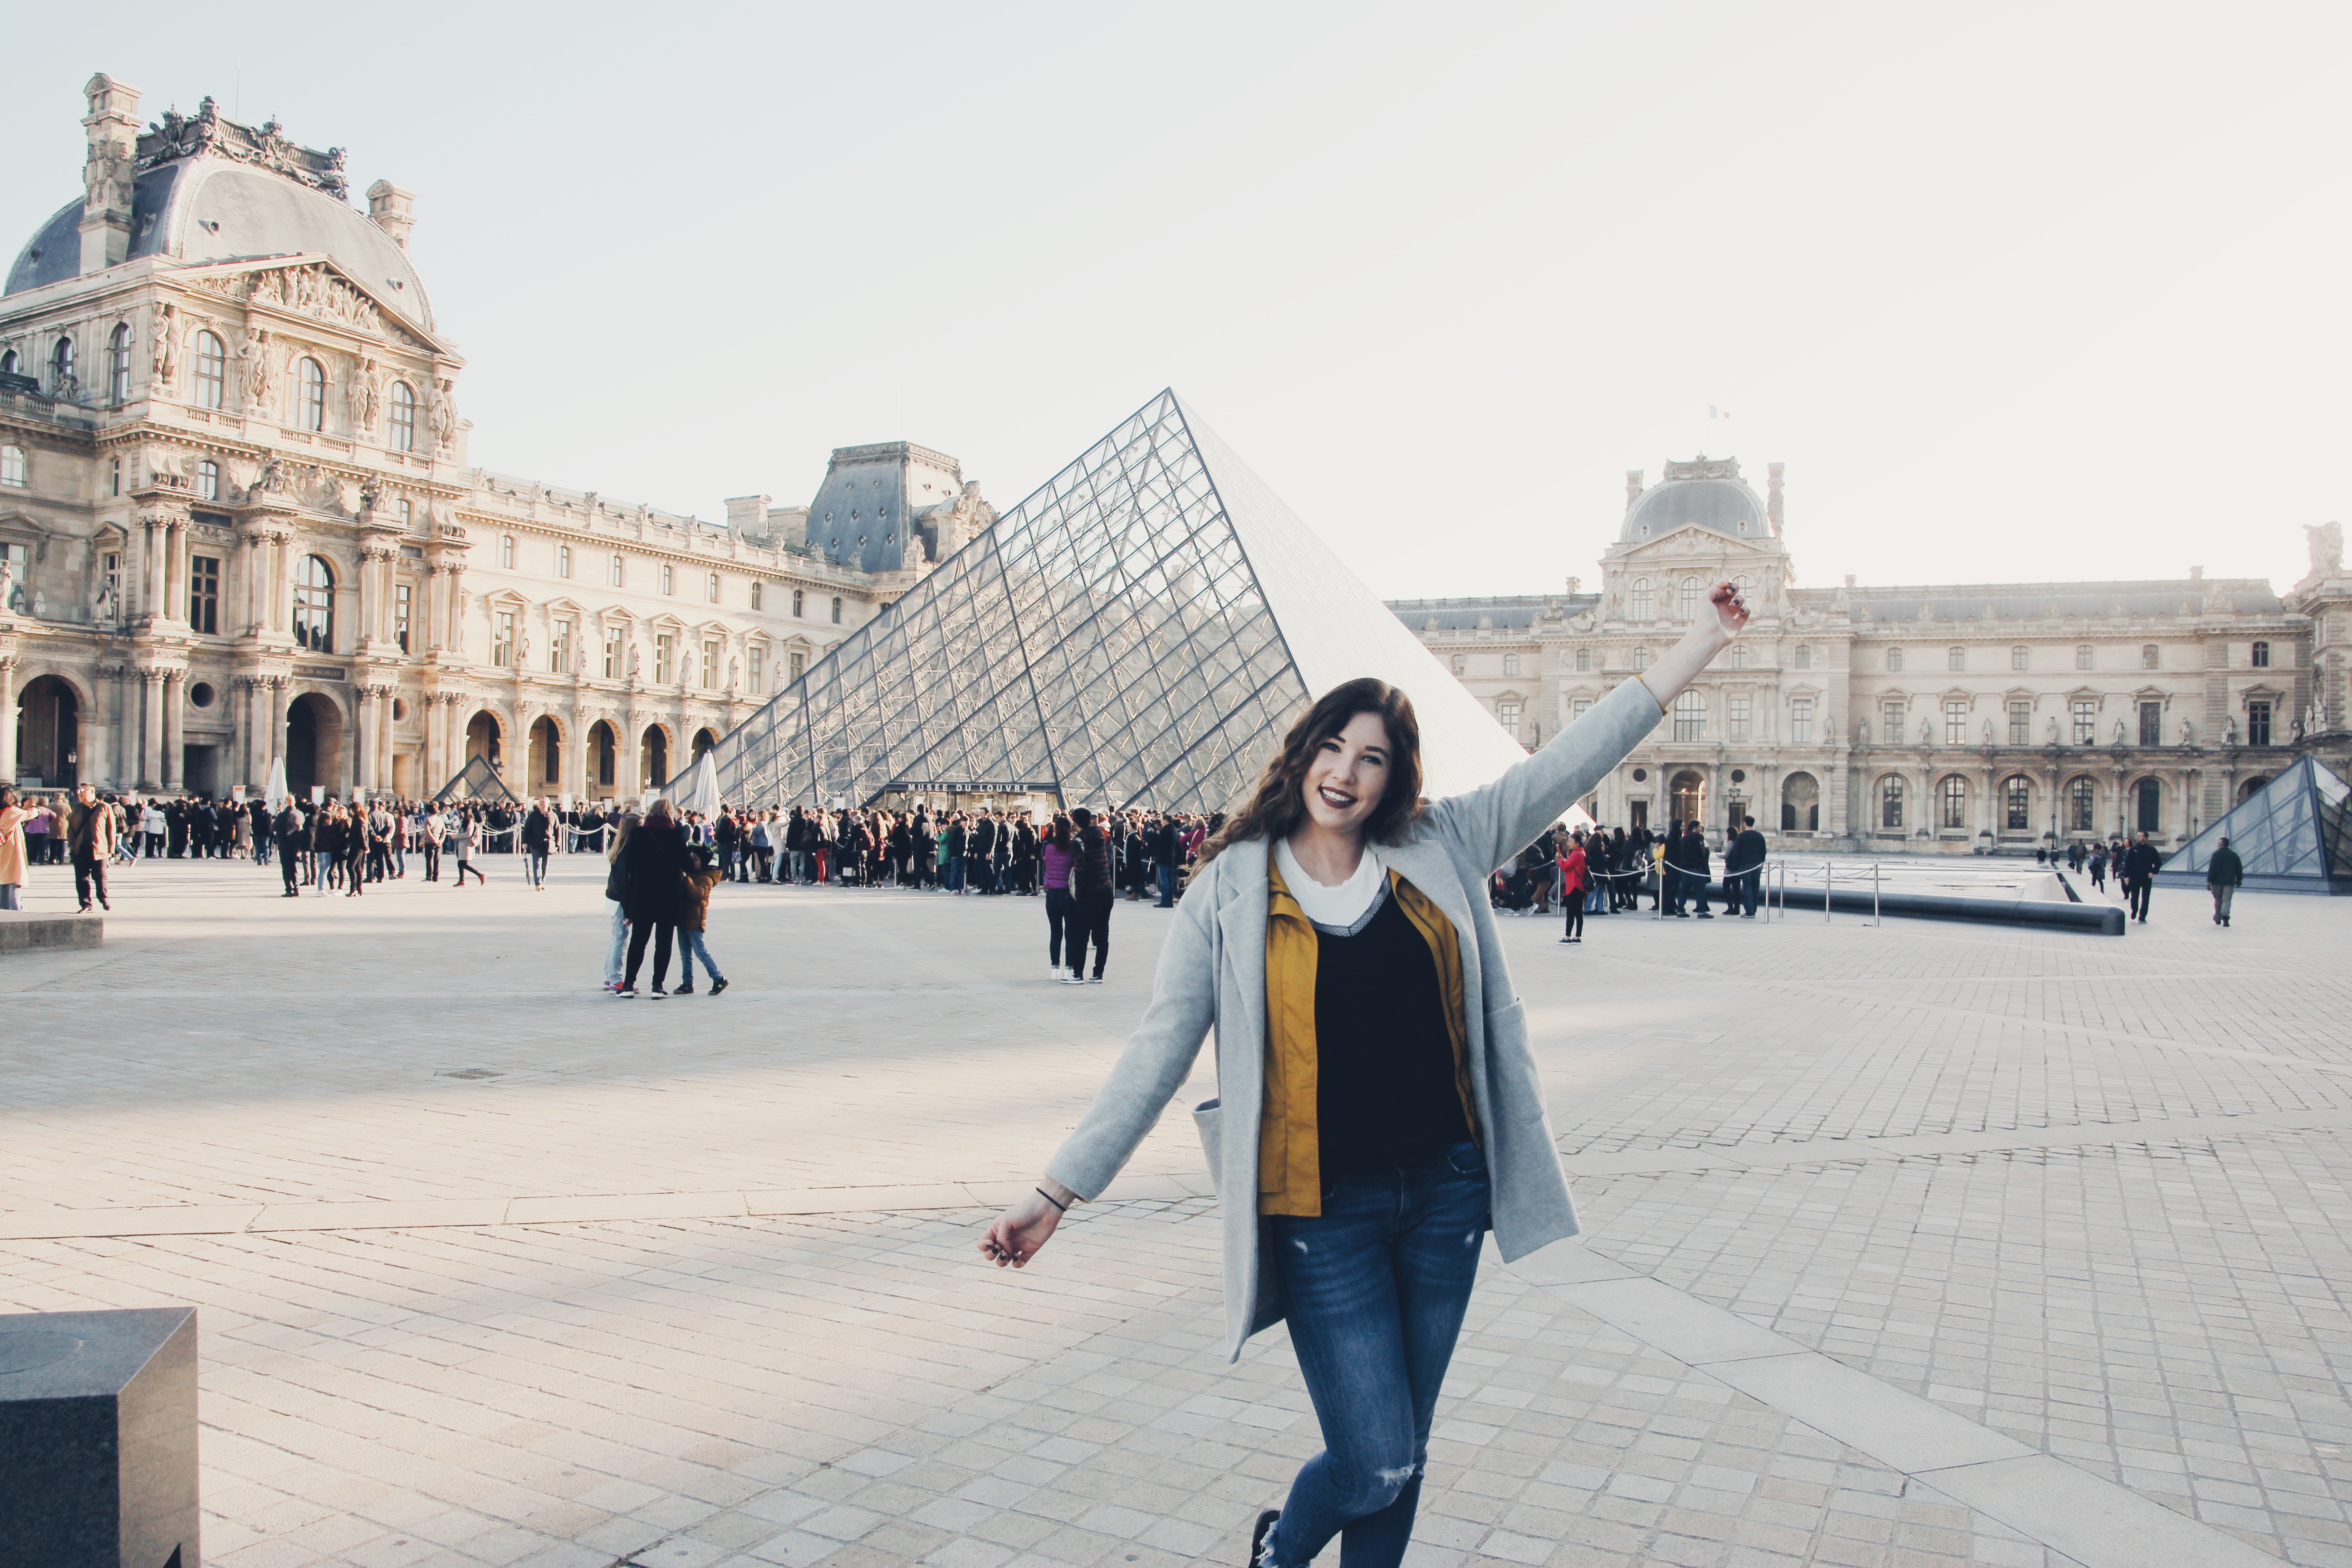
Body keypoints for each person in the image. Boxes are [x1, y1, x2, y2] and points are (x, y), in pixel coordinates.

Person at [980, 582, 1749, 1568]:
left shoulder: (1441, 843)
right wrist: (1056, 1192)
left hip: (1446, 1191)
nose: (1346, 773)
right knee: (1376, 1455)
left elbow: (1569, 761)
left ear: (1395, 778)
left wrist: (1700, 641)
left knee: (1407, 1452)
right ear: (1303, 753)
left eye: (1372, 758)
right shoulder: (1230, 888)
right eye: (1333, 747)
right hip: (1319, 1209)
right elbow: (1158, 1047)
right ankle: (1282, 1549)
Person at [618, 800, 691, 997]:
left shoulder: (638, 834)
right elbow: (687, 864)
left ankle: (628, 984)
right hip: (668, 895)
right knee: (664, 942)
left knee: (638, 941)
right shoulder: (675, 835)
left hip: (642, 895)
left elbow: (628, 866)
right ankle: (657, 986)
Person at [1063, 805, 1114, 984]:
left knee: (1082, 934)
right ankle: (1098, 973)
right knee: (1103, 934)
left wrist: (1078, 893)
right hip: (1107, 888)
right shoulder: (1100, 834)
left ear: (1076, 822)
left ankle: (1078, 974)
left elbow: (1080, 869)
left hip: (1090, 892)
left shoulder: (1079, 841)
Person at [673, 846, 730, 996]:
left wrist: (686, 879)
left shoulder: (706, 878)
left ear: (703, 863)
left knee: (700, 951)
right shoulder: (691, 873)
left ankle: (719, 978)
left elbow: (698, 895)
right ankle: (687, 983)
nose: (692, 862)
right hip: (683, 917)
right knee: (685, 953)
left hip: (695, 919)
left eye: (696, 860)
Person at [67, 781, 117, 913]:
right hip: (81, 849)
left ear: (92, 793)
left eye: (84, 791)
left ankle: (103, 898)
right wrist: (72, 845)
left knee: (100, 876)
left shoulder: (104, 807)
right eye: (79, 791)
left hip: (99, 849)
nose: (80, 794)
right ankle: (86, 904)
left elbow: (111, 829)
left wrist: (111, 850)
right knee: (82, 879)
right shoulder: (77, 808)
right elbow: (71, 828)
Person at [1040, 812, 1077, 980]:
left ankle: (1055, 969)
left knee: (1055, 933)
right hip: (1068, 894)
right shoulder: (1072, 847)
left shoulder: (1048, 847)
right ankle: (1069, 969)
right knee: (1071, 933)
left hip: (1052, 894)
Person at [1725, 815, 1767, 917]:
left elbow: (1736, 852)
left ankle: (1749, 912)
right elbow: (1764, 851)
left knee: (1747, 887)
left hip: (1745, 865)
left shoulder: (1741, 836)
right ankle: (1753, 910)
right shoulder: (1760, 836)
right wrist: (1761, 863)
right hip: (1757, 865)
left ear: (1744, 823)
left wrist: (1737, 864)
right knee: (1755, 887)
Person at [0, 786, 32, 911]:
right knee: (15, 881)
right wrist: (34, 808)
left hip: (2, 852)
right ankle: (16, 913)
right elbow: (30, 814)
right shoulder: (12, 812)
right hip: (12, 851)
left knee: (3, 882)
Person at [2122, 831, 2161, 923]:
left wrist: (2153, 872)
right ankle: (2134, 910)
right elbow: (2128, 864)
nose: (2138, 838)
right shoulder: (2133, 849)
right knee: (2134, 897)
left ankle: (2142, 917)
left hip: (2147, 878)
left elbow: (2158, 863)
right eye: (2138, 836)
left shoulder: (2151, 850)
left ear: (2145, 838)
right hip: (2135, 877)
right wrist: (2127, 876)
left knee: (2146, 898)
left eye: (2140, 836)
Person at [1557, 830, 1587, 944]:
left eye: (1571, 842)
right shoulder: (1581, 852)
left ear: (1578, 843)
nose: (1568, 844)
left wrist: (1560, 859)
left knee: (1571, 913)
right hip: (1580, 886)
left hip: (1574, 885)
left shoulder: (1576, 854)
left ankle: (1567, 937)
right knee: (1578, 913)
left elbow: (1566, 867)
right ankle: (1577, 936)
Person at [2206, 834, 2243, 927]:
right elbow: (2239, 869)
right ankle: (2226, 917)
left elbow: (2212, 869)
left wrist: (2209, 882)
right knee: (2227, 900)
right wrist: (2239, 880)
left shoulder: (2216, 854)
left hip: (2217, 882)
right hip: (2229, 882)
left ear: (2221, 845)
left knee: (2218, 900)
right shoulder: (2234, 855)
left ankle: (2218, 917)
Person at [522, 797, 553, 891]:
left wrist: (558, 844)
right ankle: (539, 883)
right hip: (536, 843)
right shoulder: (533, 815)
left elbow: (557, 830)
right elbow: (527, 829)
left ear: (548, 805)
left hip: (548, 844)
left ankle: (543, 882)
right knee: (537, 864)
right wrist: (525, 842)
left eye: (544, 804)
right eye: (541, 803)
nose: (543, 805)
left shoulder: (553, 815)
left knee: (545, 866)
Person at [452, 810, 485, 887]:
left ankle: (480, 875)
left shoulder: (470, 822)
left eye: (462, 812)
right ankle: (461, 880)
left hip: (467, 844)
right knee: (460, 863)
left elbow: (469, 834)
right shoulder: (465, 821)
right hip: (462, 844)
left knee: (463, 864)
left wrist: (456, 836)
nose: (461, 814)